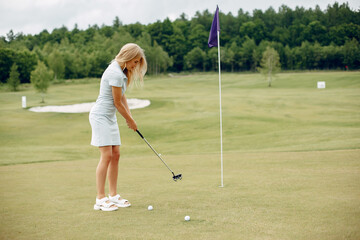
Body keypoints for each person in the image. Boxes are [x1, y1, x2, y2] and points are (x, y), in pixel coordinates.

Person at [89, 43, 147, 211]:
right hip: (100, 117)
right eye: (135, 62)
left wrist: (131, 118)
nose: (135, 65)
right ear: (127, 56)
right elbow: (116, 102)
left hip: (110, 117)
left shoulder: (121, 72)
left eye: (137, 62)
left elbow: (123, 98)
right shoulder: (114, 73)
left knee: (116, 154)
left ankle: (113, 195)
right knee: (106, 155)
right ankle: (100, 198)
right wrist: (129, 120)